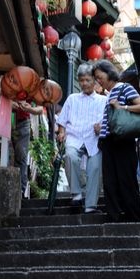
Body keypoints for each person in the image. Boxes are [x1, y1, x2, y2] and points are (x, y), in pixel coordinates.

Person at [92, 59, 140, 223]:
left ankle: (134, 216)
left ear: (109, 72)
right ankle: (114, 215)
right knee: (110, 181)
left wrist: (122, 107)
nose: (98, 80)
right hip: (108, 142)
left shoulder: (124, 88)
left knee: (126, 179)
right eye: (96, 77)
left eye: (99, 76)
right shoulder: (109, 94)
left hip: (122, 141)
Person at [56, 63, 106, 213]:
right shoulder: (72, 99)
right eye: (81, 80)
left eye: (88, 80)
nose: (84, 83)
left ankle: (90, 206)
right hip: (75, 137)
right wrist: (61, 132)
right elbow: (62, 121)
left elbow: (109, 123)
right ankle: (76, 195)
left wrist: (101, 128)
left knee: (95, 167)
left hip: (94, 139)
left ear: (94, 81)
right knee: (70, 156)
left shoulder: (103, 101)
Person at [12, 100, 43, 198]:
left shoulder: (32, 86)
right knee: (16, 156)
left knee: (21, 155)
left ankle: (20, 190)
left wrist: (29, 109)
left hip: (22, 122)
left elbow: (40, 108)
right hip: (5, 118)